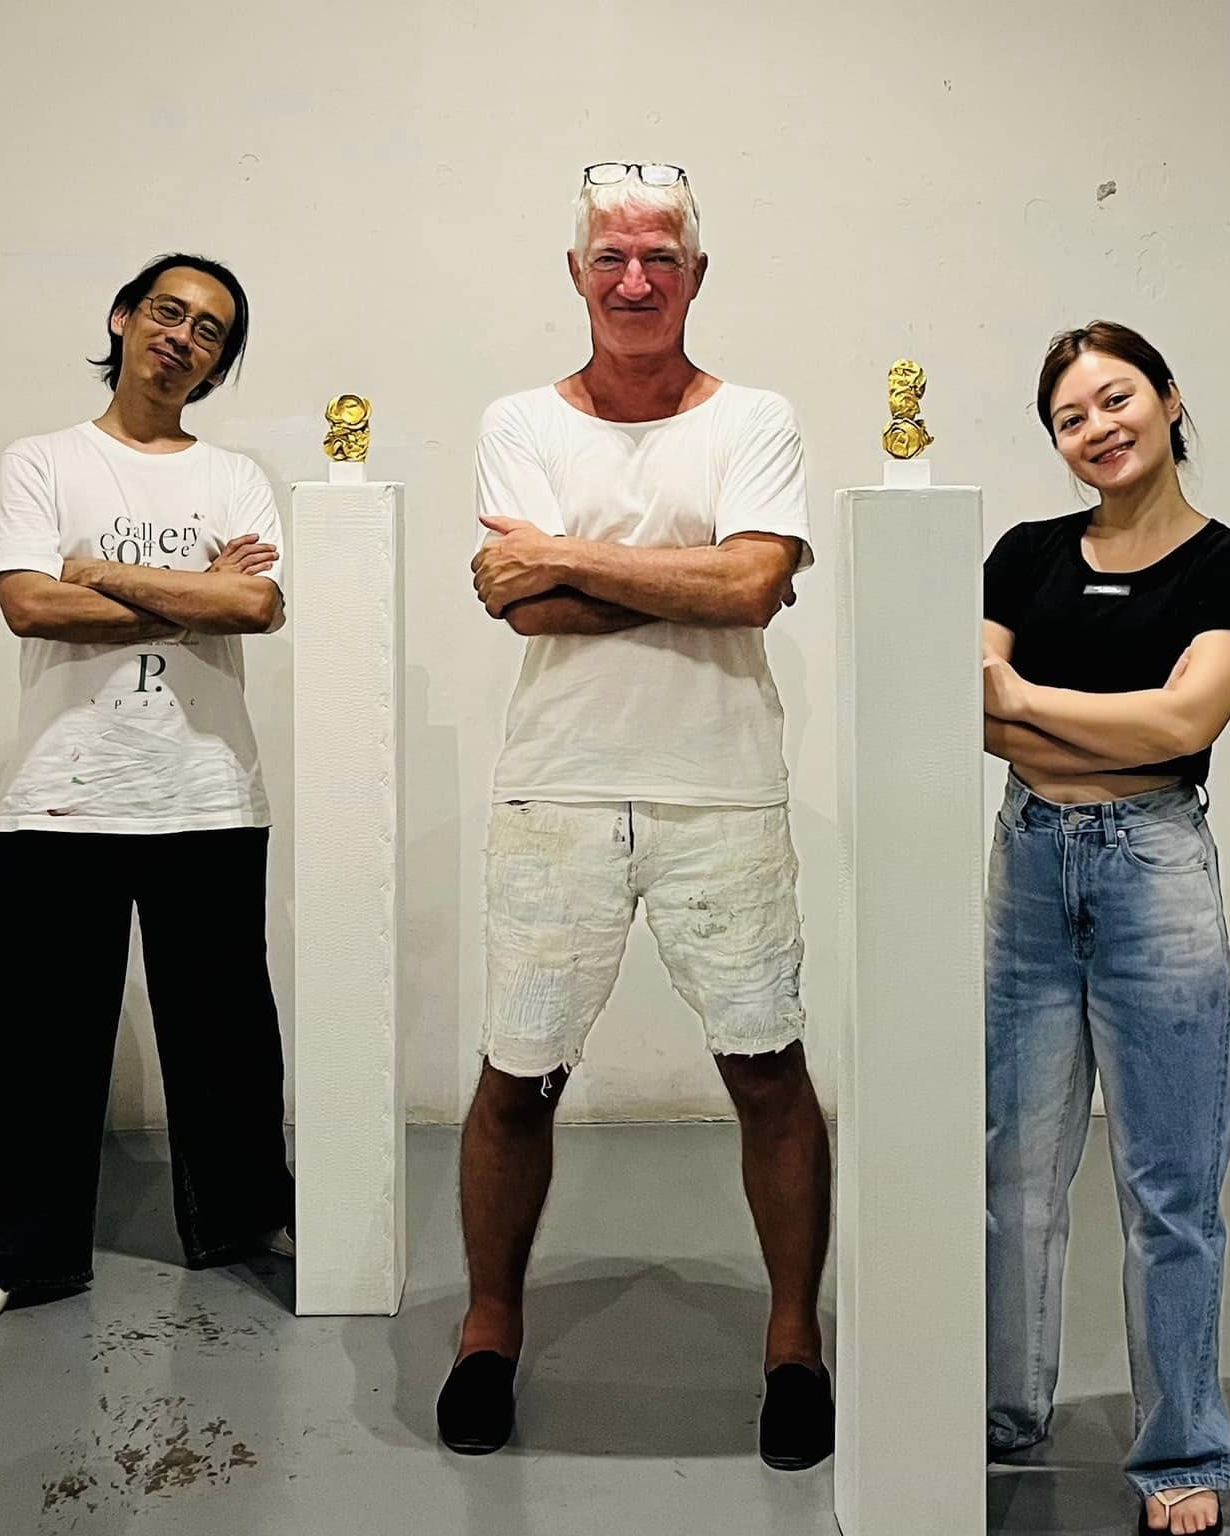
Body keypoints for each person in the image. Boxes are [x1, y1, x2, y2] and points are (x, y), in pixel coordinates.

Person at [444, 162, 831, 1470]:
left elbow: (749, 591)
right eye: (611, 256)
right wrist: (703, 574)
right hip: (557, 784)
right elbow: (526, 609)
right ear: (576, 273)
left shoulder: (756, 418)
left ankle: (792, 1343)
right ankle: (488, 1328)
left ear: (695, 275)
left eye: (659, 256)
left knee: (765, 1070)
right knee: (517, 1074)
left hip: (722, 786)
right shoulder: (518, 421)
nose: (634, 279)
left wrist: (567, 556)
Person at [0, 253, 294, 1335]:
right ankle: (5, 1252)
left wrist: (95, 572)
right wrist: (196, 590)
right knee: (31, 1043)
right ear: (123, 318)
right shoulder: (42, 461)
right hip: (61, 795)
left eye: (209, 331)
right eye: (167, 312)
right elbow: (26, 605)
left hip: (207, 792)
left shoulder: (235, 476)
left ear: (218, 365)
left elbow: (256, 607)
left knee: (227, 1036)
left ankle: (243, 1220)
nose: (182, 337)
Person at [982, 322, 1230, 1534]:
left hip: (1152, 872)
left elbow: (1181, 724)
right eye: (1069, 418)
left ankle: (1181, 1452)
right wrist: (1088, 718)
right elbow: (972, 715)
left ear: (1166, 399)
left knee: (1169, 1188)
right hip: (1026, 864)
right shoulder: (1022, 554)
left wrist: (1028, 699)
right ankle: (1002, 1411)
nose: (1095, 429)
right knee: (1012, 1172)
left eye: (1114, 400)